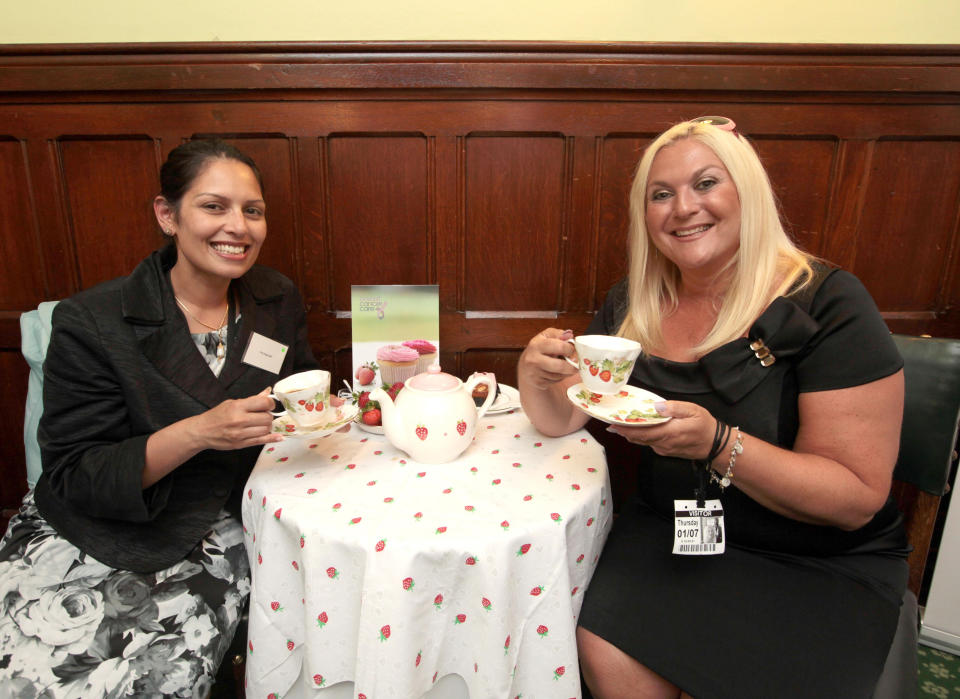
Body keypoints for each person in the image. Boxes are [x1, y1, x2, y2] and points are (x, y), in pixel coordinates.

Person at [518, 117, 908, 698]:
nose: (682, 208)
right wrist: (534, 377)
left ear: (746, 194)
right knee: (606, 651)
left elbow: (855, 498)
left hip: (816, 559)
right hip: (673, 529)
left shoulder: (826, 303)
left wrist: (719, 444)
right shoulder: (635, 300)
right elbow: (563, 418)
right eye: (661, 194)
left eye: (705, 184)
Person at [0, 139, 319, 697]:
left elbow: (298, 390)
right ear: (167, 215)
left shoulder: (275, 298)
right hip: (93, 525)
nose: (237, 227)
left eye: (253, 210)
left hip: (219, 524)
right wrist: (198, 432)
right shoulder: (95, 320)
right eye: (214, 206)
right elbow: (76, 472)